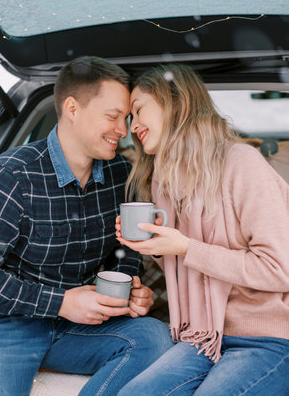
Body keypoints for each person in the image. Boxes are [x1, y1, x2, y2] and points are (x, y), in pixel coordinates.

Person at [0, 56, 173, 396]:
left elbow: (125, 248)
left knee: (154, 338)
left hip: (80, 326)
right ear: (72, 109)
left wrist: (128, 290)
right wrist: (59, 302)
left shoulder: (119, 174)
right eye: (112, 116)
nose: (124, 130)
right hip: (7, 324)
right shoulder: (12, 175)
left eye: (127, 118)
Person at [116, 63, 289, 395]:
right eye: (128, 119)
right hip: (203, 335)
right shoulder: (162, 185)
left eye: (138, 111)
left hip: (266, 337)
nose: (132, 126)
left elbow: (279, 268)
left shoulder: (241, 162)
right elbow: (189, 266)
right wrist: (152, 247)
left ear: (174, 101)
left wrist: (185, 248)